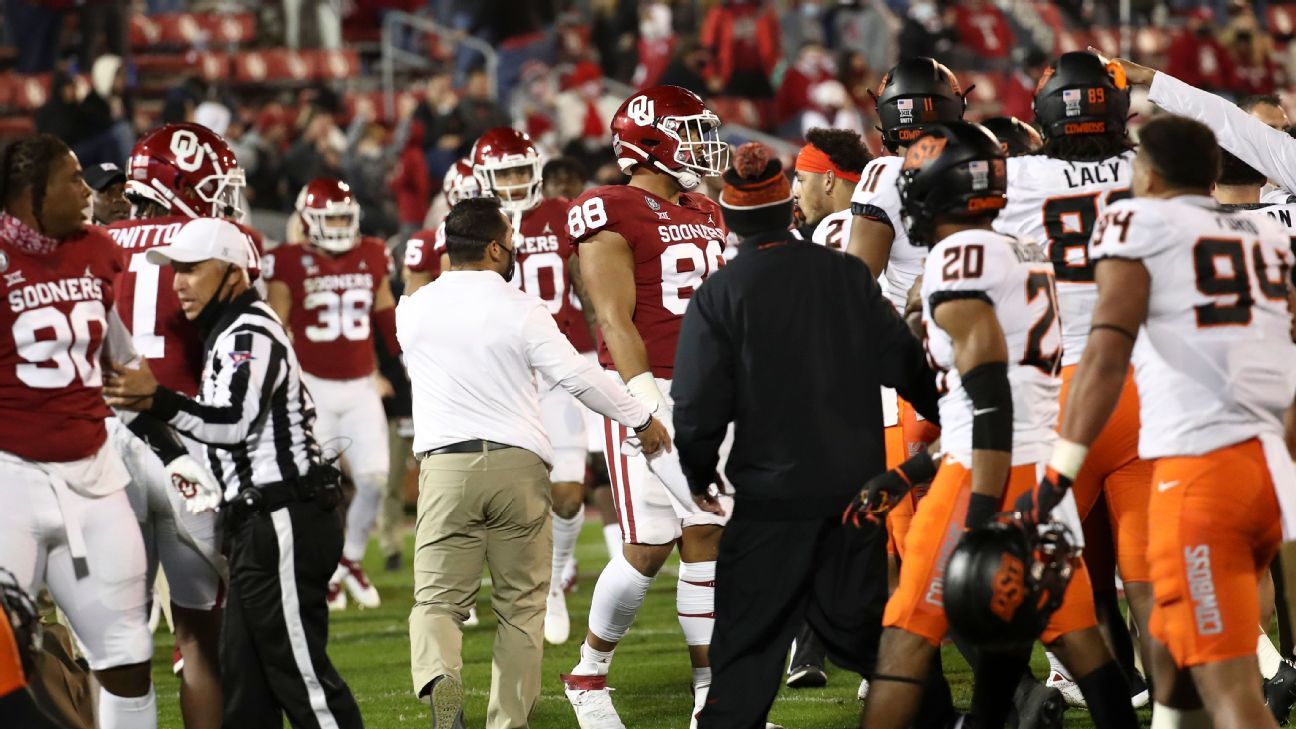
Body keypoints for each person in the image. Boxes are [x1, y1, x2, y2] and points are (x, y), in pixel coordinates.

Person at [1017, 113, 1296, 729]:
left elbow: (1107, 351)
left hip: (1201, 473)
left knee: (1229, 693)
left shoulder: (1139, 220)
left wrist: (1059, 472)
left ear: (1147, 171)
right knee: (1175, 667)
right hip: (1268, 467)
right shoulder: (1268, 236)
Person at [860, 121, 1137, 729]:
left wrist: (982, 516)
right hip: (1039, 473)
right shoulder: (1023, 250)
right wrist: (909, 472)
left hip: (986, 474)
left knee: (905, 639)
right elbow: (993, 398)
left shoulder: (956, 259)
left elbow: (989, 399)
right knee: (1084, 647)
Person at [672, 140, 941, 728]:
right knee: (869, 632)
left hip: (773, 497)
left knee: (745, 652)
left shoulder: (722, 292)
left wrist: (696, 471)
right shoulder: (846, 275)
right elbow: (907, 364)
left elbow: (694, 404)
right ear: (783, 208)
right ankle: (941, 718)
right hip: (855, 491)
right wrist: (948, 418)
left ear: (728, 215)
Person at [398, 196, 668, 729]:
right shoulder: (520, 307)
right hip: (517, 468)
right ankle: (507, 723)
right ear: (496, 247)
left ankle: (443, 689)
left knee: (435, 602)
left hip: (445, 468)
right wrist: (639, 417)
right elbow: (578, 377)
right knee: (521, 609)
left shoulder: (414, 310)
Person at [104, 216, 364, 728]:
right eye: (175, 271)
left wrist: (156, 399)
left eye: (192, 270)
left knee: (299, 676)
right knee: (245, 687)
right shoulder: (227, 332)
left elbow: (232, 423)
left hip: (285, 514)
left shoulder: (251, 330)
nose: (179, 283)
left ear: (233, 274)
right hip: (260, 520)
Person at [558, 85, 738, 729]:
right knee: (667, 538)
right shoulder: (608, 206)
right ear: (650, 141)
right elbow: (613, 316)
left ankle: (696, 698)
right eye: (689, 130)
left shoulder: (705, 207)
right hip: (650, 389)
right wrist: (644, 402)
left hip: (711, 389)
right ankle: (596, 676)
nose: (702, 142)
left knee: (686, 539)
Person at [990, 51, 1152, 708]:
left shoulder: (1016, 177)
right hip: (1145, 385)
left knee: (1028, 566)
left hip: (1056, 393)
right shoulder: (1150, 167)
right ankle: (1170, 707)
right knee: (1148, 571)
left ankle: (1024, 694)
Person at [0, 133, 157, 729]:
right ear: (30, 194)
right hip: (9, 478)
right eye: (71, 179)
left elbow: (122, 357)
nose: (86, 189)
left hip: (93, 478)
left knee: (128, 654)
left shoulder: (97, 250)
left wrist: (166, 440)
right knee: (8, 655)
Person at [105, 122, 254, 714]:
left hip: (108, 449)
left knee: (118, 640)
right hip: (189, 447)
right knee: (197, 637)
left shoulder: (94, 241)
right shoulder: (220, 243)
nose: (223, 201)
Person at [264, 178, 400, 611]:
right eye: (332, 218)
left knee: (375, 480)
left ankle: (351, 561)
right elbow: (275, 327)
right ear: (309, 222)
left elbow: (386, 319)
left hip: (361, 385)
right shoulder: (288, 261)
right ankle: (323, 573)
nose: (340, 225)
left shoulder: (373, 254)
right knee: (319, 492)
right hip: (313, 387)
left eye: (345, 216)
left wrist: (405, 362)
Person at [784, 126, 870, 690]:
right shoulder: (894, 210)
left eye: (800, 177)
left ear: (829, 181)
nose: (794, 189)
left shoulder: (833, 230)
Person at [403, 158, 480, 297]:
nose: (472, 205)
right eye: (464, 197)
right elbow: (413, 305)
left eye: (480, 196)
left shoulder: (507, 226)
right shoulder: (429, 240)